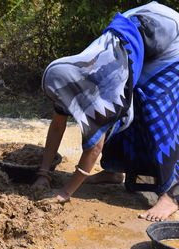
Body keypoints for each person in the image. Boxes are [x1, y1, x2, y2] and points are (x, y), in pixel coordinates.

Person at [36, 2, 179, 222]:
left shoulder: (103, 90)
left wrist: (65, 193)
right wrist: (42, 174)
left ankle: (172, 194)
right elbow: (57, 126)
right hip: (140, 31)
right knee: (125, 106)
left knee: (153, 110)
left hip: (170, 42)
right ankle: (114, 170)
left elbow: (95, 146)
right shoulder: (69, 79)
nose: (59, 103)